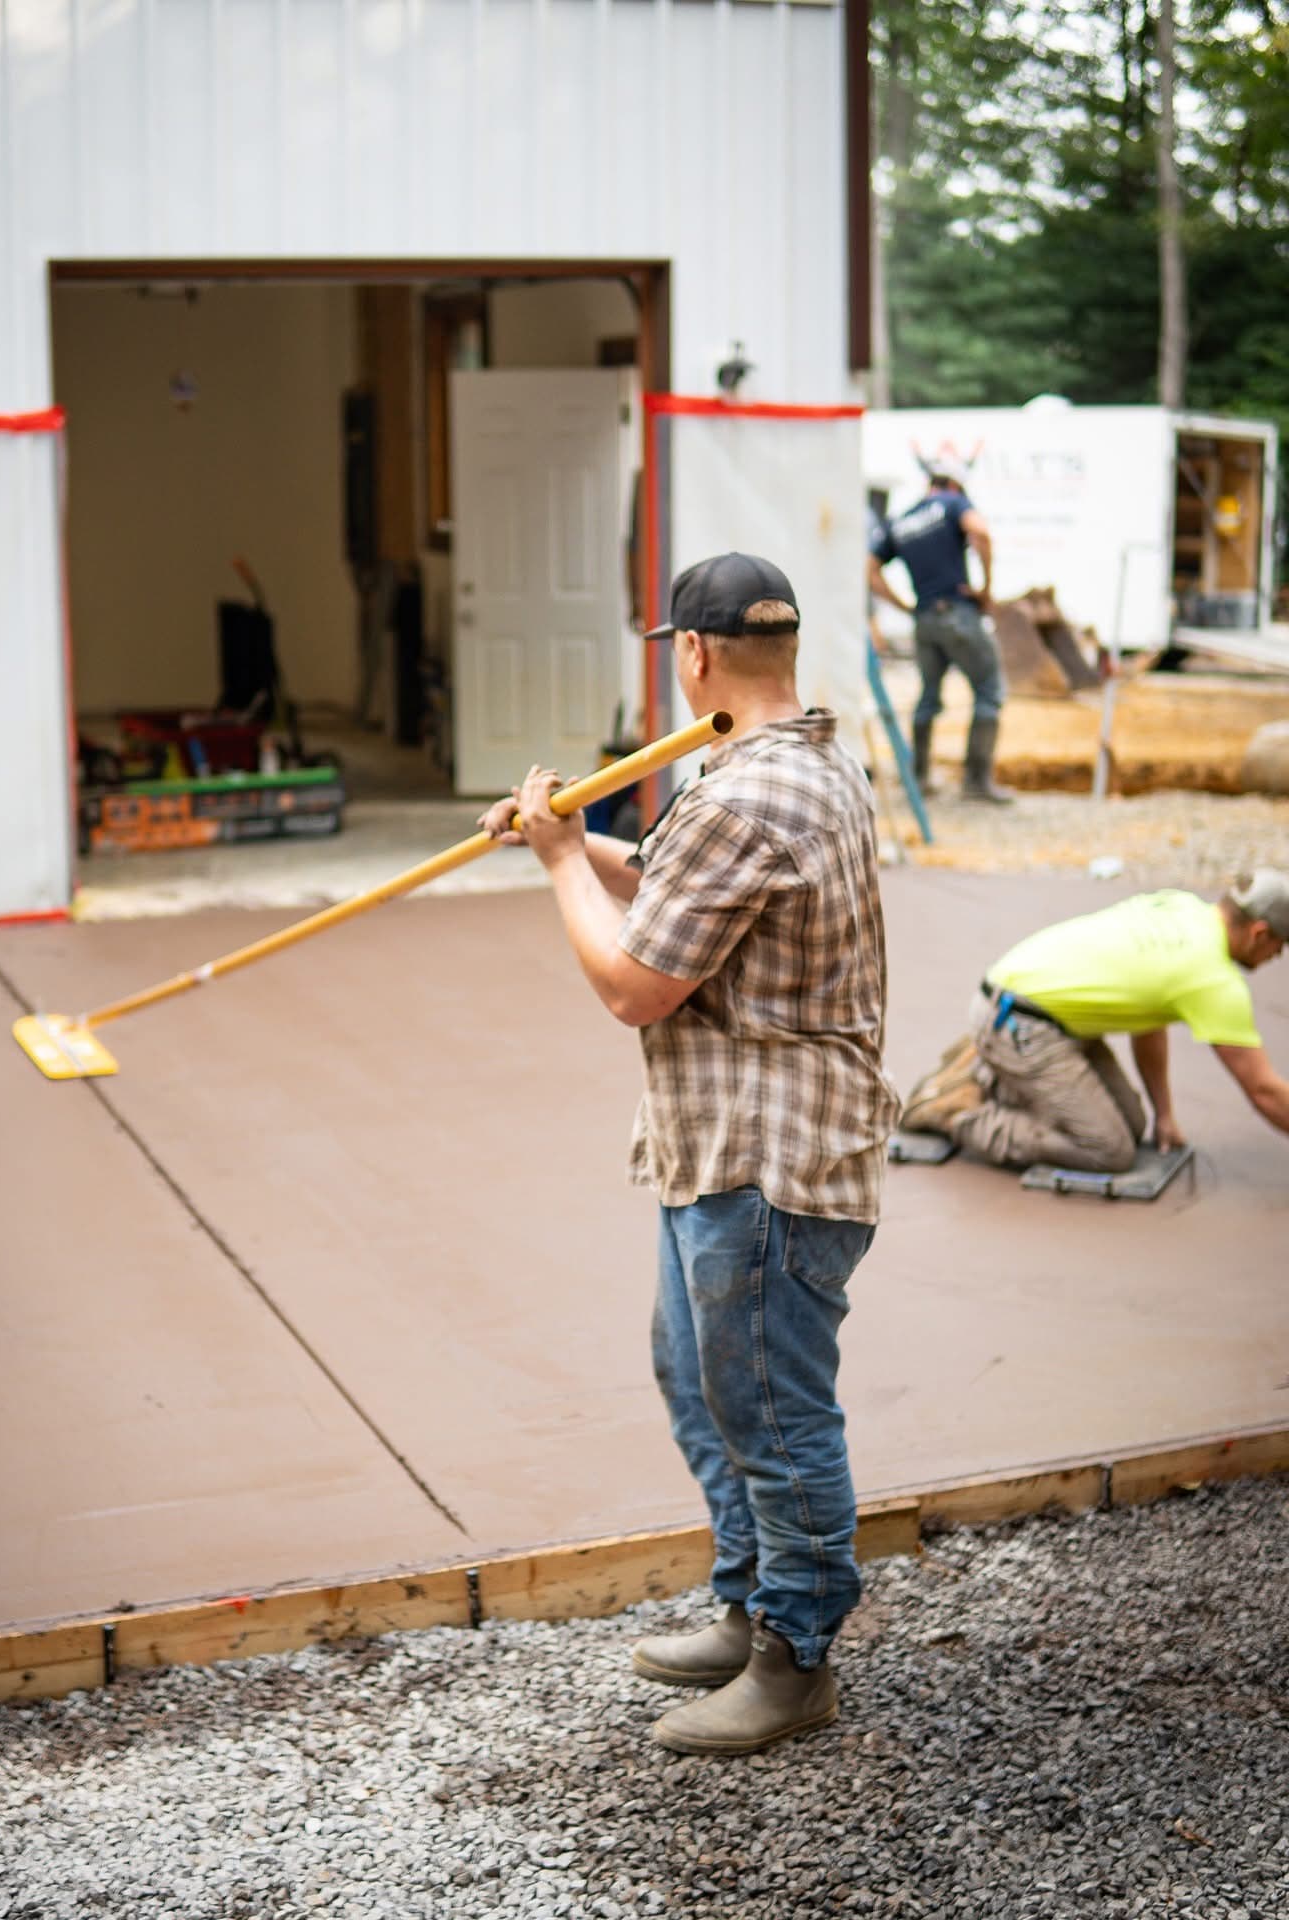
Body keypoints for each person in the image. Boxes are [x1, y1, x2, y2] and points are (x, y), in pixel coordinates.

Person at [479, 552, 899, 1756]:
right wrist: (571, 837)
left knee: (768, 1407)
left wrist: (564, 862)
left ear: (695, 654)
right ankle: (748, 1598)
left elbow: (635, 983)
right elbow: (680, 884)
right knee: (701, 1373)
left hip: (773, 1158)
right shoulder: (804, 760)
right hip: (725, 1142)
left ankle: (797, 1654)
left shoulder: (743, 795)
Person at [902, 872, 1289, 1170]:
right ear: (1259, 933)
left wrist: (1163, 1115)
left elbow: (1150, 1016)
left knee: (1132, 1125)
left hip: (1043, 1011)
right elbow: (1265, 1091)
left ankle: (992, 1074)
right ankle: (958, 1111)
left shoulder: (1182, 907)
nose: (1278, 955)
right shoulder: (1215, 981)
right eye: (1280, 945)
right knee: (1109, 1148)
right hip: (1020, 1022)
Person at [866, 461, 1012, 804]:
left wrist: (904, 606)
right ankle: (977, 783)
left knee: (928, 697)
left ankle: (918, 778)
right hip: (957, 612)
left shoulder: (900, 521)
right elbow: (982, 533)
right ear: (954, 486)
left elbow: (869, 570)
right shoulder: (952, 503)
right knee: (989, 691)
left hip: (925, 622)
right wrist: (986, 588)